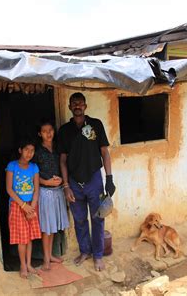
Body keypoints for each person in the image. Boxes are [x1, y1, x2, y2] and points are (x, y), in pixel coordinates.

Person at [57, 92, 116, 271]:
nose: (77, 106)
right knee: (80, 220)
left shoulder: (96, 125)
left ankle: (98, 255)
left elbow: (104, 152)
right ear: (69, 107)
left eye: (80, 103)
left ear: (85, 106)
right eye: (74, 103)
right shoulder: (64, 131)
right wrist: (66, 186)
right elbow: (63, 160)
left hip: (94, 179)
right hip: (74, 183)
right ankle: (85, 251)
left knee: (98, 219)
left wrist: (109, 178)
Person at [34, 119, 70, 271]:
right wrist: (46, 182)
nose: (48, 134)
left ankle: (50, 256)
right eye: (44, 131)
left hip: (58, 191)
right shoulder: (37, 151)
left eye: (50, 130)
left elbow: (64, 165)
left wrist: (62, 180)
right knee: (47, 227)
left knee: (53, 225)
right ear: (39, 134)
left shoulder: (58, 147)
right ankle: (46, 259)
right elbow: (33, 174)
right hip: (45, 192)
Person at [5, 139, 41, 278]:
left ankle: (29, 264)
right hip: (17, 205)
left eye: (32, 150)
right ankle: (23, 265)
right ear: (20, 150)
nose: (29, 153)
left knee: (29, 237)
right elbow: (9, 189)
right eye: (26, 150)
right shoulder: (12, 166)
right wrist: (24, 205)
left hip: (31, 205)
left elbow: (36, 189)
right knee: (22, 239)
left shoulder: (34, 167)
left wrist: (32, 206)